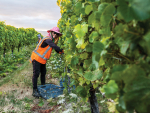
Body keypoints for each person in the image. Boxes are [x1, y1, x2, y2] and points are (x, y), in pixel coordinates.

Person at [30, 27, 64, 98]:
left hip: (42, 59)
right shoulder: (47, 39)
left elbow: (56, 49)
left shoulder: (51, 40)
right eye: (54, 33)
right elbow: (54, 46)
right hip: (36, 58)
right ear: (51, 32)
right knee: (36, 74)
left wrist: (62, 52)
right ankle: (34, 91)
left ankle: (43, 87)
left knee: (43, 73)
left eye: (57, 34)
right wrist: (63, 50)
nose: (55, 35)